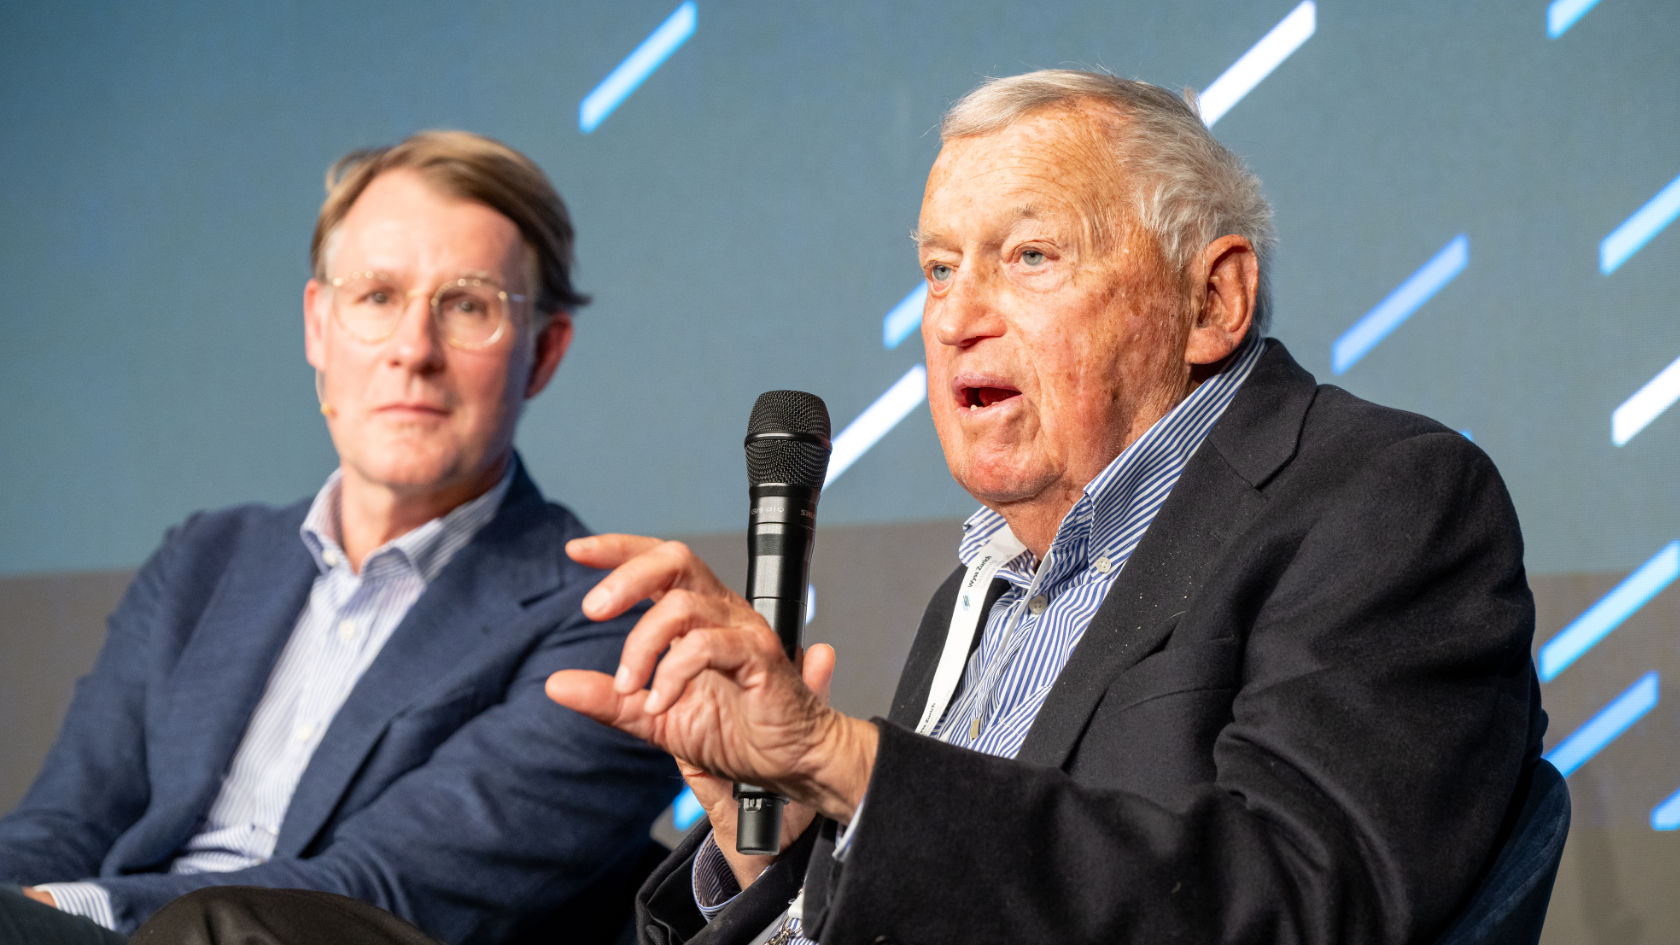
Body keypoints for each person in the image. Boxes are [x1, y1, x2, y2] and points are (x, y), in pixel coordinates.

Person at [131, 69, 1548, 945]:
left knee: (233, 932)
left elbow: (1306, 902)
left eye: (1029, 256)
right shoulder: (985, 583)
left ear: (1212, 299)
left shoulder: (1382, 501)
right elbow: (923, 882)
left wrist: (851, 762)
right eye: (938, 271)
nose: (957, 317)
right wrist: (763, 838)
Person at [0, 131, 677, 945]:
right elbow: (59, 826)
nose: (412, 351)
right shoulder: (201, 562)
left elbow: (376, 896)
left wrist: (65, 916)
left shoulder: (611, 622)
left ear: (544, 353)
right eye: (377, 296)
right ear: (319, 327)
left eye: (467, 305)